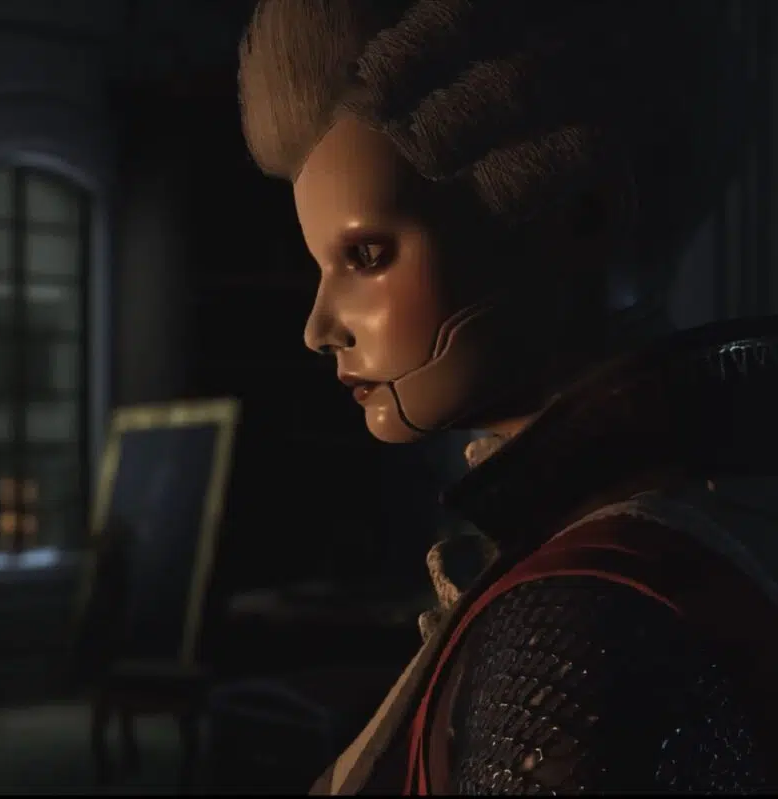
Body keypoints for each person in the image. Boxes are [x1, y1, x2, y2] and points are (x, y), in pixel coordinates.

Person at [236, 0, 778, 793]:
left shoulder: (584, 613)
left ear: (580, 220)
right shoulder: (698, 516)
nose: (319, 327)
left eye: (368, 255)